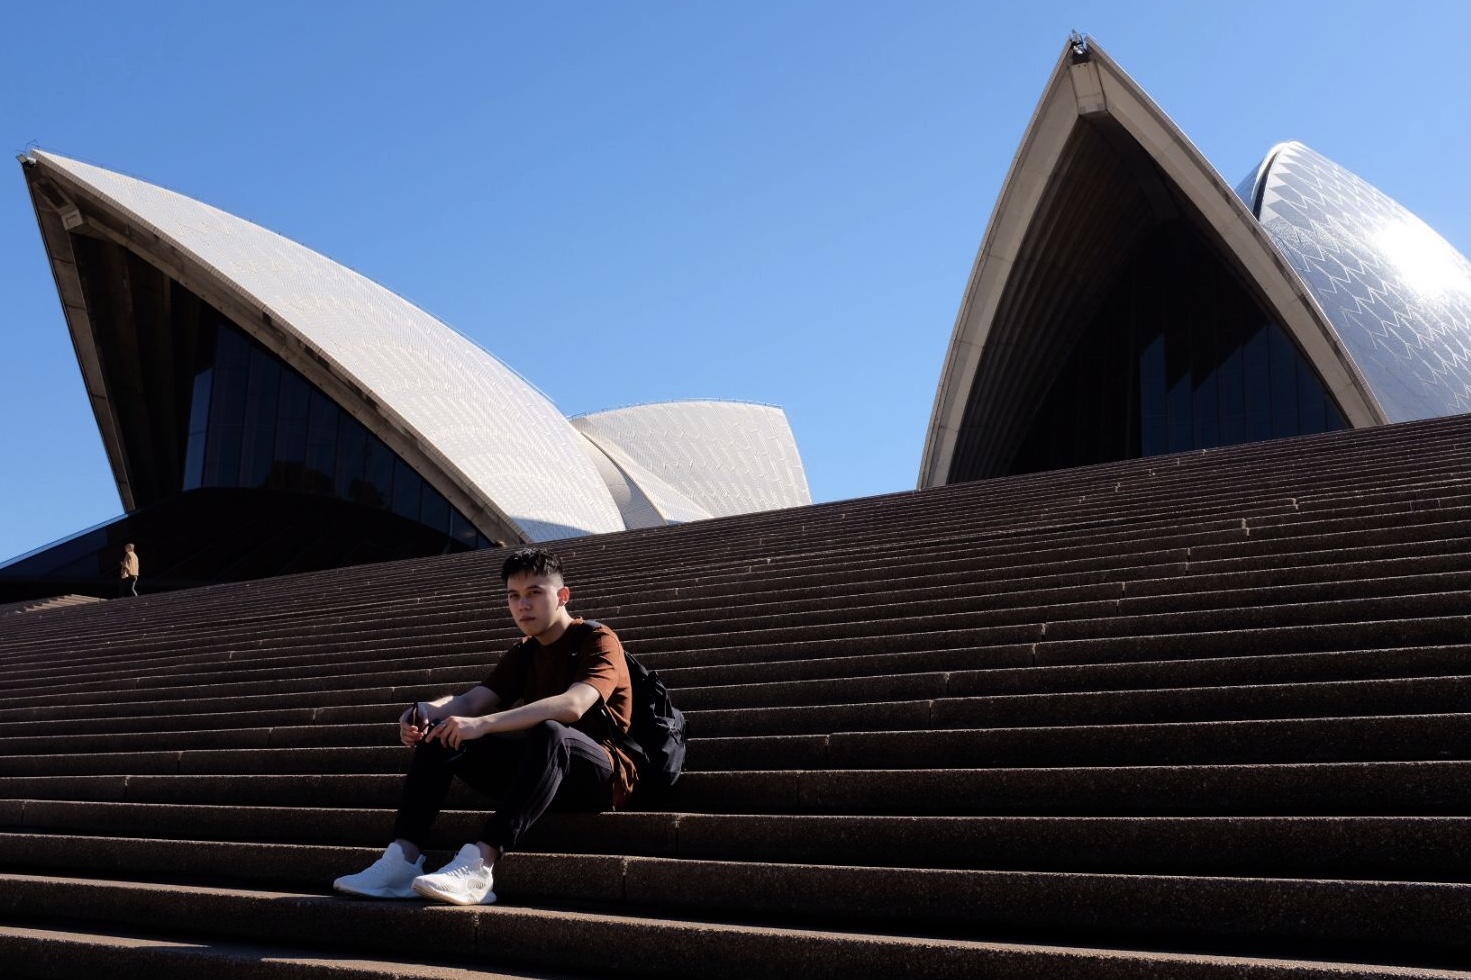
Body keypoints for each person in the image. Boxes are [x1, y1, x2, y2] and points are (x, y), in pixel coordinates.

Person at [334, 547, 637, 905]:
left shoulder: (597, 639)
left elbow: (574, 705)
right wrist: (429, 710)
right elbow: (472, 702)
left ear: (562, 596)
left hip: (600, 774)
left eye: (534, 593)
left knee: (551, 731)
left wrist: (484, 724)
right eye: (514, 596)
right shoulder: (524, 652)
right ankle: (403, 859)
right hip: (536, 773)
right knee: (443, 731)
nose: (523, 605)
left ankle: (479, 865)